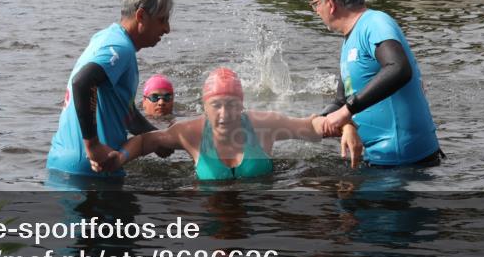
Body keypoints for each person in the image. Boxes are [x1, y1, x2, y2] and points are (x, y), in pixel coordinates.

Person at [95, 68, 364, 179]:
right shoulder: (191, 132)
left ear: (242, 105)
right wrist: (120, 157)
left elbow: (312, 126)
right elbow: (146, 141)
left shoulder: (262, 124)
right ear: (204, 107)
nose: (224, 114)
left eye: (232, 106)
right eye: (216, 106)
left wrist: (348, 126)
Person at [310, 0, 442, 166]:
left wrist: (346, 112)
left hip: (404, 163)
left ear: (330, 3)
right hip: (377, 159)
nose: (316, 11)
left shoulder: (375, 23)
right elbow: (341, 100)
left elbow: (398, 68)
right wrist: (318, 121)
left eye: (315, 4)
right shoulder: (349, 40)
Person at [46, 0, 174, 178]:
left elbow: (125, 113)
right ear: (141, 16)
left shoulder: (105, 38)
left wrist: (160, 139)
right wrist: (93, 145)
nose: (167, 29)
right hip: (91, 170)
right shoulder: (120, 48)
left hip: (62, 164)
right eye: (162, 20)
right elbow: (82, 82)